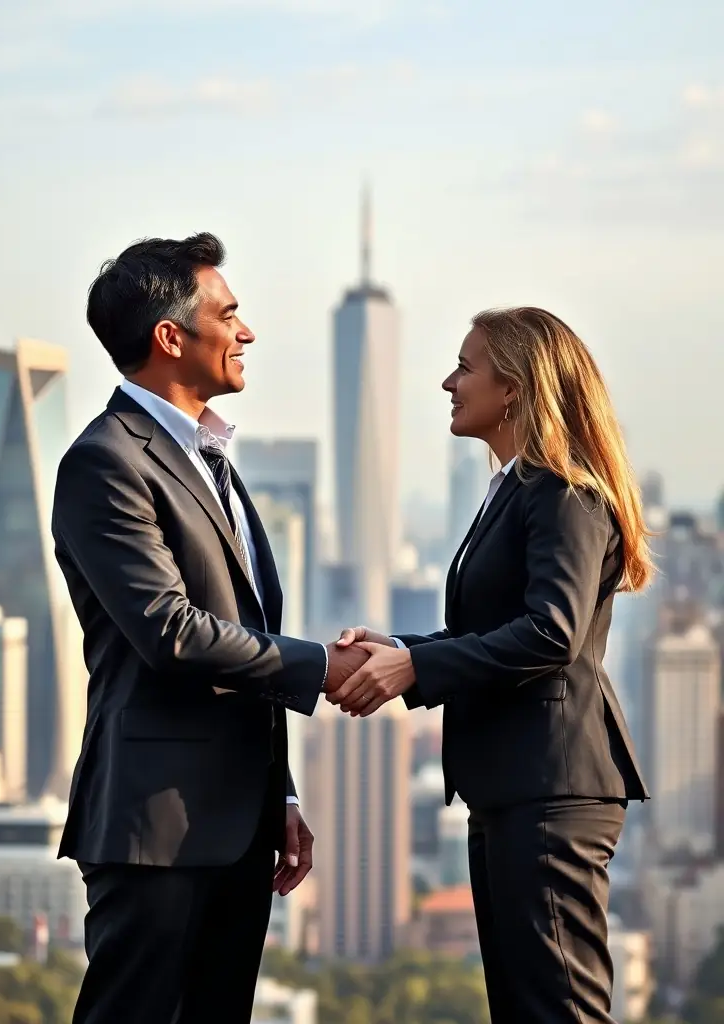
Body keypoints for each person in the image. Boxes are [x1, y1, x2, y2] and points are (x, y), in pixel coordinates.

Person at [52, 232, 365, 1024]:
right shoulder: (106, 461)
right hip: (155, 827)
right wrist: (321, 665)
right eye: (229, 315)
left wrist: (279, 789)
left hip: (237, 823)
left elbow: (240, 628)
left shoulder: (211, 460)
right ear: (170, 337)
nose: (247, 332)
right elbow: (170, 631)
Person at [330, 307, 652, 1024]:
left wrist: (415, 671)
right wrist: (404, 652)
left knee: (558, 1009)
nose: (448, 382)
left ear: (514, 388)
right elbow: (494, 629)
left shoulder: (563, 493)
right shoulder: (514, 488)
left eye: (464, 367)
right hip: (513, 787)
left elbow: (550, 633)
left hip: (551, 790)